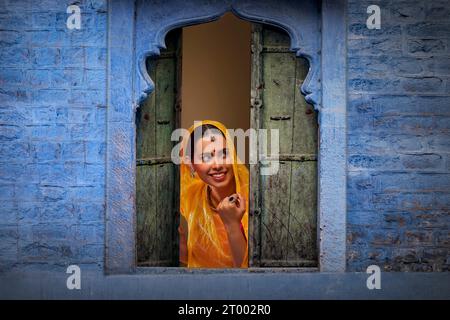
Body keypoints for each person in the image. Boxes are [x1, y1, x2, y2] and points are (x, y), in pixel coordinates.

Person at [178, 120, 249, 268]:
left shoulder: (253, 197)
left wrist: (232, 225)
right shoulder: (191, 197)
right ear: (191, 164)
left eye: (224, 154)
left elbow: (248, 274)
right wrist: (183, 252)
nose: (217, 165)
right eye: (206, 157)